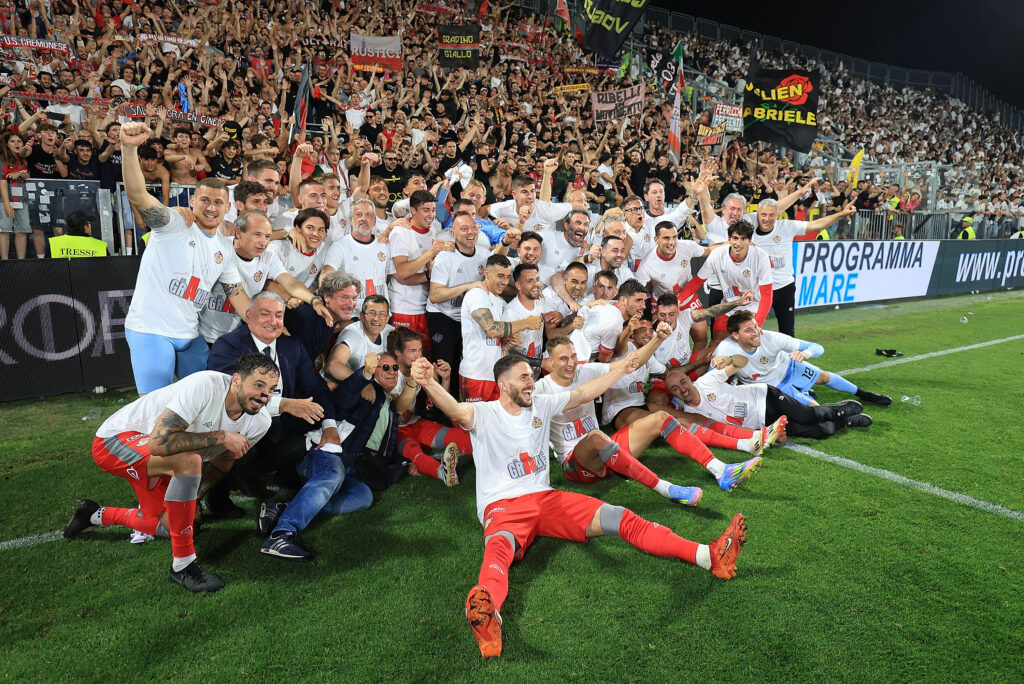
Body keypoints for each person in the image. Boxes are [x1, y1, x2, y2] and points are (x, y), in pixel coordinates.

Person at [409, 353, 749, 658]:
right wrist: (428, 382)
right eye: (524, 377)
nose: (531, 383)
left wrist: (621, 370)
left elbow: (585, 393)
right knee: (498, 554)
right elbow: (455, 410)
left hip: (546, 499)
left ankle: (709, 556)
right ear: (503, 384)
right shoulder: (484, 413)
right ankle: (488, 618)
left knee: (620, 516)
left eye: (531, 377)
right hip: (502, 507)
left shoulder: (541, 404)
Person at [63, 353, 277, 592]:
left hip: (163, 457)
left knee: (181, 526)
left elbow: (225, 459)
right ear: (236, 380)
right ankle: (183, 566)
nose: (265, 395)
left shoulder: (260, 422)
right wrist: (222, 436)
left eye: (271, 389)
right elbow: (158, 443)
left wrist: (197, 496)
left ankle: (94, 514)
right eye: (258, 385)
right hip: (116, 440)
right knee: (190, 461)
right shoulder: (206, 385)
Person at [119, 122, 249, 394]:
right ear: (192, 201)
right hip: (151, 331)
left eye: (218, 203)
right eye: (205, 200)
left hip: (190, 335)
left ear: (228, 207)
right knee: (155, 405)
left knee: (206, 400)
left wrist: (261, 321)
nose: (211, 208)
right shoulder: (173, 223)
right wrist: (128, 150)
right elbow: (138, 195)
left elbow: (236, 293)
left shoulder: (224, 248)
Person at [206, 292, 340, 514]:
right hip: (238, 425)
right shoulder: (228, 345)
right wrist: (284, 404)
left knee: (306, 439)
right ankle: (217, 495)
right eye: (265, 314)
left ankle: (273, 476)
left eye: (278, 315)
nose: (273, 321)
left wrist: (330, 426)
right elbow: (231, 397)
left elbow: (317, 388)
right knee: (239, 449)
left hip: (277, 427)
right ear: (248, 315)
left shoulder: (291, 345)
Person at [199, 211, 331, 345]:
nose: (263, 242)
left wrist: (314, 301)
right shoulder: (220, 249)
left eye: (268, 237)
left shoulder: (268, 258)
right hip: (203, 333)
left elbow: (290, 283)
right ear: (238, 233)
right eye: (257, 235)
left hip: (239, 333)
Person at [665, 354, 869, 440]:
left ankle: (839, 408)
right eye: (675, 388)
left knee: (807, 416)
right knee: (819, 432)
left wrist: (728, 359)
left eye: (682, 382)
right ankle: (846, 421)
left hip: (765, 397)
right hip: (763, 423)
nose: (682, 389)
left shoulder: (706, 381)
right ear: (673, 394)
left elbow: (742, 362)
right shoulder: (691, 414)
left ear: (689, 379)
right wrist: (767, 435)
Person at [717, 310, 892, 407]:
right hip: (772, 386)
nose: (756, 333)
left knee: (824, 377)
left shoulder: (771, 338)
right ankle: (842, 414)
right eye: (748, 330)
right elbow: (714, 376)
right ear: (735, 335)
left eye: (756, 326)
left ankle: (864, 394)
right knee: (813, 407)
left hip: (788, 367)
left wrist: (805, 354)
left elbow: (817, 347)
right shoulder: (725, 349)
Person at [744, 198, 856, 336]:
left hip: (783, 287)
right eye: (763, 214)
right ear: (757, 215)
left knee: (787, 332)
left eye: (771, 215)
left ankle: (788, 351)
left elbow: (816, 225)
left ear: (777, 215)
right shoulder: (747, 230)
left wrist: (841, 214)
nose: (767, 219)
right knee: (749, 330)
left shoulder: (786, 226)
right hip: (758, 289)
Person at [460, 254, 542, 401]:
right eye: (500, 276)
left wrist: (508, 340)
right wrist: (526, 323)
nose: (504, 282)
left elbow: (499, 338)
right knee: (474, 416)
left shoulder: (501, 302)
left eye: (507, 277)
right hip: (476, 374)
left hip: (497, 375)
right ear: (486, 273)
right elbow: (491, 329)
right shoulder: (477, 294)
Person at [677, 221, 773, 347]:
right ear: (729, 239)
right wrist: (679, 300)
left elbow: (767, 295)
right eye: (735, 238)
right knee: (716, 344)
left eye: (743, 239)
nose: (738, 243)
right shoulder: (718, 255)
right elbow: (697, 281)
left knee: (745, 346)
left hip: (752, 307)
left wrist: (757, 324)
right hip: (729, 306)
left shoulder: (760, 256)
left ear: (750, 241)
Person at [427, 212, 491, 373]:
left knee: (471, 366)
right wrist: (468, 286)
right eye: (464, 229)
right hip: (444, 315)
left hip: (469, 317)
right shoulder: (445, 257)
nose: (470, 232)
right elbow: (435, 295)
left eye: (473, 227)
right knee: (446, 368)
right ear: (453, 234)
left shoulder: (484, 254)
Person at [321, 198, 392, 313]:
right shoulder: (340, 246)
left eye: (368, 215)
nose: (364, 219)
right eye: (359, 215)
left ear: (374, 221)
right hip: (352, 315)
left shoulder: (384, 245)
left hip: (381, 315)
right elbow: (327, 273)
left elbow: (389, 277)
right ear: (351, 220)